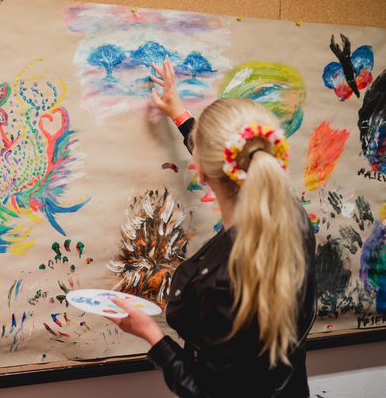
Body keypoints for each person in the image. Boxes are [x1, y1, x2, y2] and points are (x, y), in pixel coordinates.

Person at [106, 57, 317, 397]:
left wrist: (152, 335)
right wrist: (180, 115)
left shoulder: (223, 281)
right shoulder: (294, 218)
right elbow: (231, 156)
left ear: (200, 172)